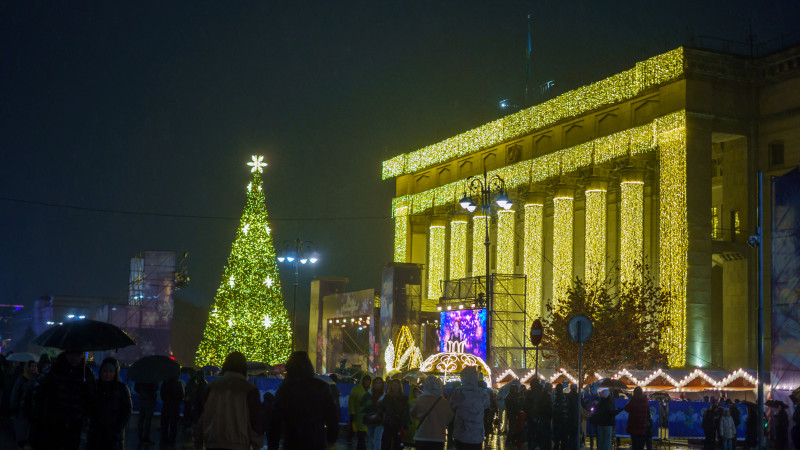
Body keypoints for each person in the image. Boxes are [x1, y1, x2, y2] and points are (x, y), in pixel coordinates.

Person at [268, 350, 339, 449]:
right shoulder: (321, 387)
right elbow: (332, 415)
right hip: (315, 440)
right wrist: (332, 438)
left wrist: (273, 444)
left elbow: (276, 419)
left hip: (292, 441)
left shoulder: (285, 389)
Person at [195, 351, 262, 450]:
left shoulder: (212, 387)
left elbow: (201, 416)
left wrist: (198, 442)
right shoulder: (249, 389)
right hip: (240, 444)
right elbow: (255, 420)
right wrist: (256, 444)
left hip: (214, 443)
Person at [31, 350, 96, 450]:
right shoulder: (53, 369)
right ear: (66, 354)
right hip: (53, 421)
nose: (74, 358)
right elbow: (38, 391)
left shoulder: (86, 373)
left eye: (77, 355)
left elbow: (91, 397)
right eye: (71, 354)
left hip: (75, 423)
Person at [87, 357, 131, 450]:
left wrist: (118, 428)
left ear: (115, 372)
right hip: (96, 433)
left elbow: (127, 409)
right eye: (105, 371)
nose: (108, 374)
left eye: (111, 371)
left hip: (114, 434)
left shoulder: (121, 388)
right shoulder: (95, 386)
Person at [450, 366, 490, 450]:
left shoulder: (458, 393)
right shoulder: (482, 393)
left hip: (461, 433)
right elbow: (486, 406)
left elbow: (452, 407)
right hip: (477, 434)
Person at [410, 376, 454, 450]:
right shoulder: (444, 402)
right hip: (438, 437)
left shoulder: (419, 400)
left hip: (422, 436)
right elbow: (450, 417)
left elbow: (413, 414)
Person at [10, 359, 38, 447]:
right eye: (32, 366)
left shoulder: (38, 377)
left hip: (33, 409)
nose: (33, 368)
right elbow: (16, 393)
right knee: (22, 429)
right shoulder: (22, 378)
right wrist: (14, 406)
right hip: (22, 408)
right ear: (28, 367)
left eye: (35, 366)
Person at [380, 379, 409, 450]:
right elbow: (381, 408)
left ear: (399, 386)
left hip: (399, 423)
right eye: (393, 385)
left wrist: (405, 424)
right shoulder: (387, 397)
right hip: (388, 423)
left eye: (396, 385)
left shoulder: (404, 398)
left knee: (398, 443)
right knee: (386, 443)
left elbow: (406, 412)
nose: (394, 387)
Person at [160, 374, 184, 448]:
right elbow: (181, 396)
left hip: (166, 406)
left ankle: (164, 440)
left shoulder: (165, 383)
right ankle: (172, 440)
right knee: (173, 425)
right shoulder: (178, 384)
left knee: (165, 424)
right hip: (175, 407)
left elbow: (162, 394)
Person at [362, 377, 386, 450]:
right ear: (373, 384)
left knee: (377, 439)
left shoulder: (385, 395)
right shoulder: (368, 394)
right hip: (370, 419)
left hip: (380, 421)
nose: (378, 384)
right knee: (371, 438)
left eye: (379, 383)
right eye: (376, 382)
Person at [349, 374, 372, 450]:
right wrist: (352, 412)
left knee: (363, 435)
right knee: (360, 435)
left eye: (368, 380)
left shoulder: (371, 390)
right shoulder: (356, 389)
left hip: (368, 416)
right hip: (358, 416)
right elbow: (351, 401)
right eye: (366, 380)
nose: (367, 382)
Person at [134, 381, 159, 446]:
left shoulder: (140, 377)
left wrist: (142, 392)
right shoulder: (152, 377)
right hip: (150, 401)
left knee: (141, 419)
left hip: (142, 399)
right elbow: (156, 387)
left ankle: (140, 437)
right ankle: (146, 438)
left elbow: (136, 388)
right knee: (148, 421)